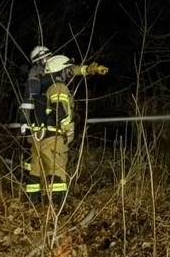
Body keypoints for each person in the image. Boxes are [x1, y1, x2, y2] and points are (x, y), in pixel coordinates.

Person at [18, 46, 107, 206]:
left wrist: (88, 69)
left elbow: (71, 70)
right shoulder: (58, 87)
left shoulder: (41, 84)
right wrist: (69, 128)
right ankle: (59, 206)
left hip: (36, 135)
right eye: (64, 71)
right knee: (56, 170)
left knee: (36, 169)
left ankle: (32, 204)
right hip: (53, 136)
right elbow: (61, 113)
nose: (67, 74)